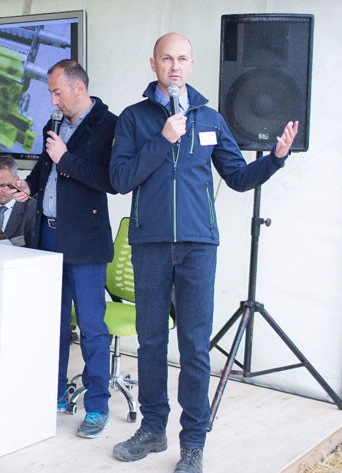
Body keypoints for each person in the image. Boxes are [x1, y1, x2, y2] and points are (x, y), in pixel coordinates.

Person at [109, 33, 298, 473]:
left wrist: (275, 159)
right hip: (150, 245)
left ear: (191, 65)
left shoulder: (210, 118)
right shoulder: (134, 118)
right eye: (166, 59)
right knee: (151, 342)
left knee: (194, 347)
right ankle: (152, 429)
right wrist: (163, 139)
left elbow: (237, 177)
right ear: (153, 64)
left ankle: (193, 443)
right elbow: (120, 179)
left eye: (182, 59)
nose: (174, 66)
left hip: (198, 247)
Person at [12, 59, 117, 438]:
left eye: (57, 92)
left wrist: (65, 158)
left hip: (86, 242)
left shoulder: (109, 125)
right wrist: (30, 187)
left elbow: (109, 180)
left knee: (90, 326)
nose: (53, 101)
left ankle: (98, 406)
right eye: (51, 94)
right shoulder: (53, 125)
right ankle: (54, 390)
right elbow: (45, 169)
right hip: (49, 235)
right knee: (52, 322)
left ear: (79, 87)